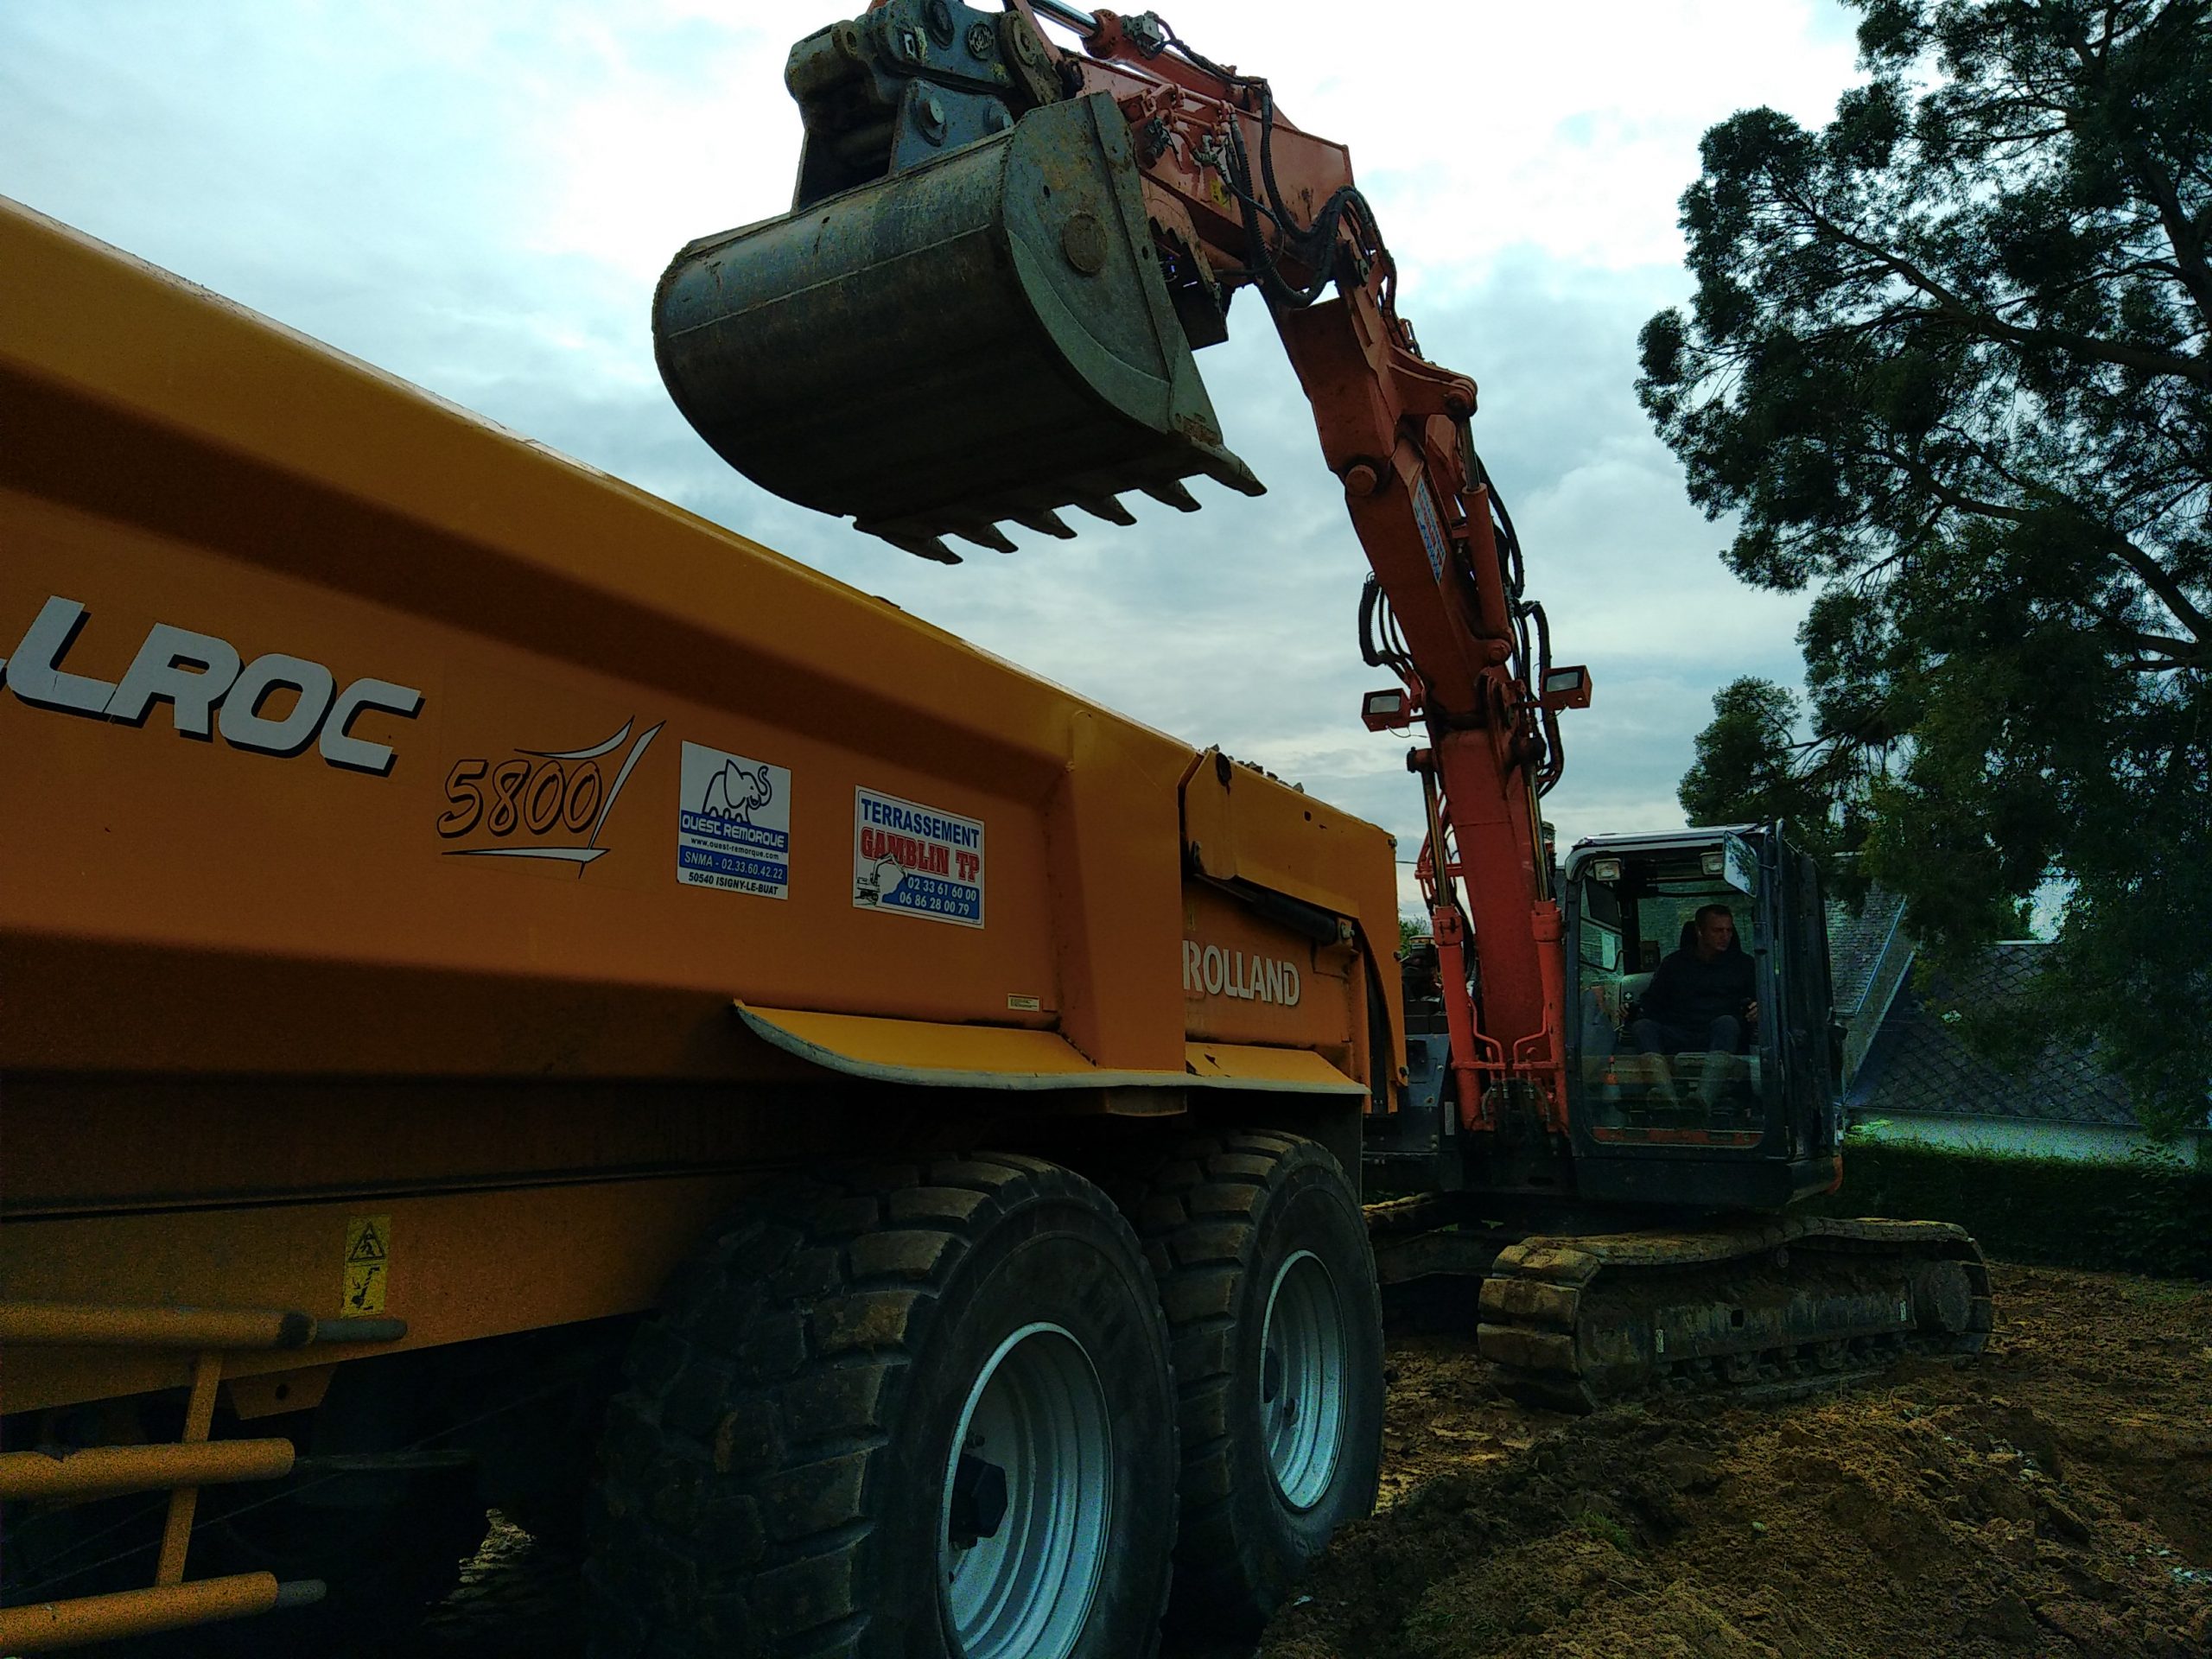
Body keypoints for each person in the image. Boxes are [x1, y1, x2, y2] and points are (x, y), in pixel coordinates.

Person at [1630, 904, 1758, 1065]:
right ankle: (1662, 1089)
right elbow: (1652, 1003)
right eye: (1718, 931)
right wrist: (1633, 1011)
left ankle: (1708, 1090)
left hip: (1722, 1035)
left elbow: (1760, 1000)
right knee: (1643, 1027)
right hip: (1679, 1032)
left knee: (1727, 1024)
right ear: (1700, 931)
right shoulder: (1673, 964)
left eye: (1729, 930)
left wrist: (1758, 1008)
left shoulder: (1744, 965)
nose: (1725, 936)